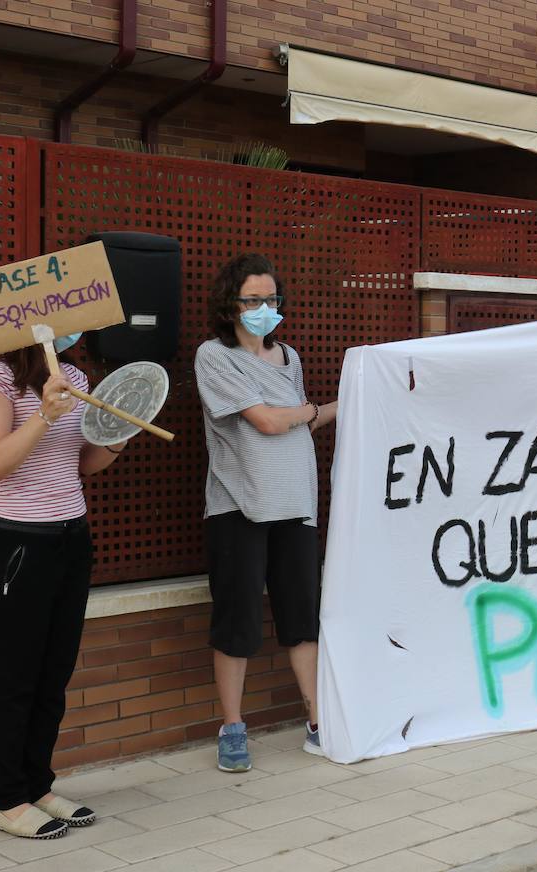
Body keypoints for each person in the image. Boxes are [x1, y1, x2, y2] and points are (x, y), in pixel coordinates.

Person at [0, 334, 127, 838]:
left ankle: (37, 785)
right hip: (17, 544)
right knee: (16, 678)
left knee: (53, 675)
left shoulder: (75, 378)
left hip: (70, 537)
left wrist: (118, 438)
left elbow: (82, 464)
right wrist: (43, 414)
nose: (69, 329)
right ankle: (4, 798)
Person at [195, 253, 338, 772]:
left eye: (271, 299)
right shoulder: (214, 356)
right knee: (237, 620)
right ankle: (232, 726)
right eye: (252, 299)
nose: (263, 308)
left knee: (302, 617)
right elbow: (268, 422)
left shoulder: (290, 358)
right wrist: (305, 413)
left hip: (296, 506)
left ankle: (318, 720)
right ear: (230, 304)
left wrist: (340, 406)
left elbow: (298, 421)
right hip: (238, 507)